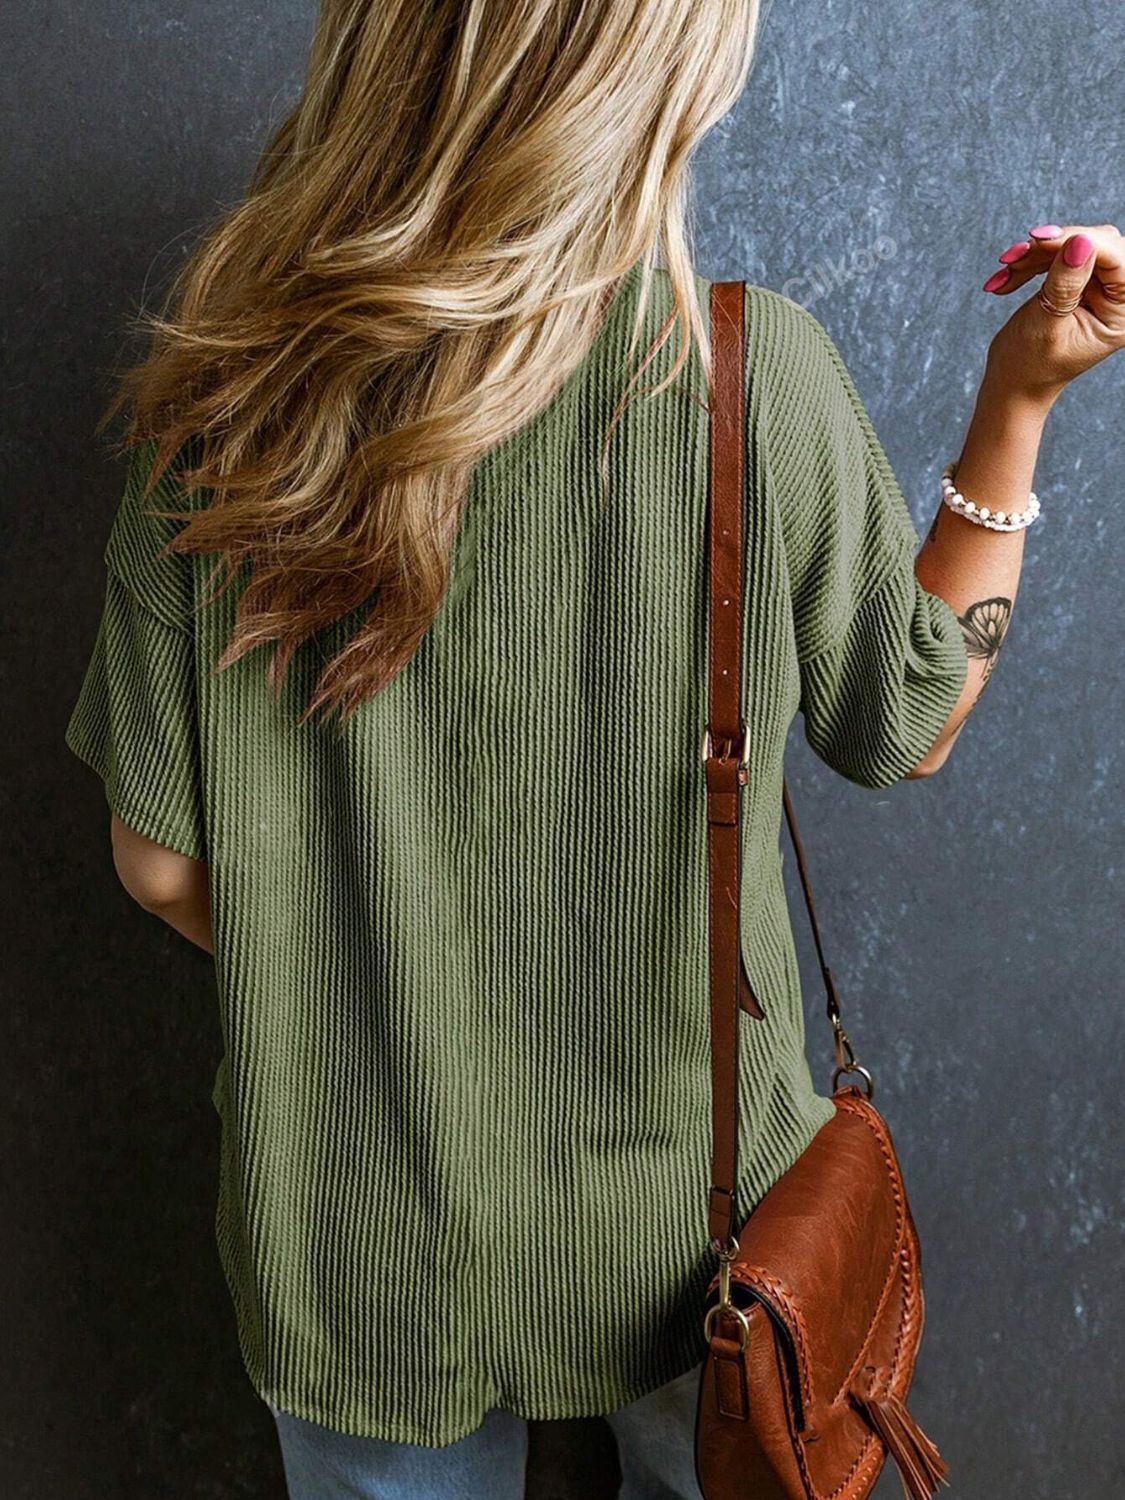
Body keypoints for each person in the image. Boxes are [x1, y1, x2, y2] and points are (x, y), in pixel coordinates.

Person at [64, 1, 1124, 1497]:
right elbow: (908, 722)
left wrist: (372, 990)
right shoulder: (749, 375)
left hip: (358, 1230)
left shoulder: (219, 407)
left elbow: (160, 863)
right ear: (653, 89)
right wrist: (1016, 402)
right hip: (703, 1237)